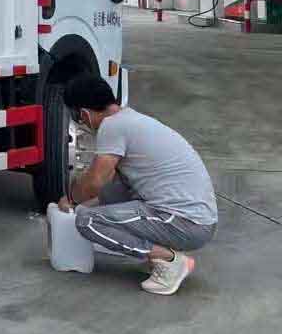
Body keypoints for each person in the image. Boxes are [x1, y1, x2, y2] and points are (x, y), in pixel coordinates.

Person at [58, 74, 217, 295]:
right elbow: (114, 189)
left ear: (84, 113)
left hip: (185, 223)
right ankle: (159, 253)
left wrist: (72, 199)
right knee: (107, 199)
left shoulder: (111, 127)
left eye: (77, 117)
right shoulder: (130, 119)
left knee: (87, 222)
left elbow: (95, 182)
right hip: (197, 220)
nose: (80, 122)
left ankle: (170, 261)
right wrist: (83, 204)